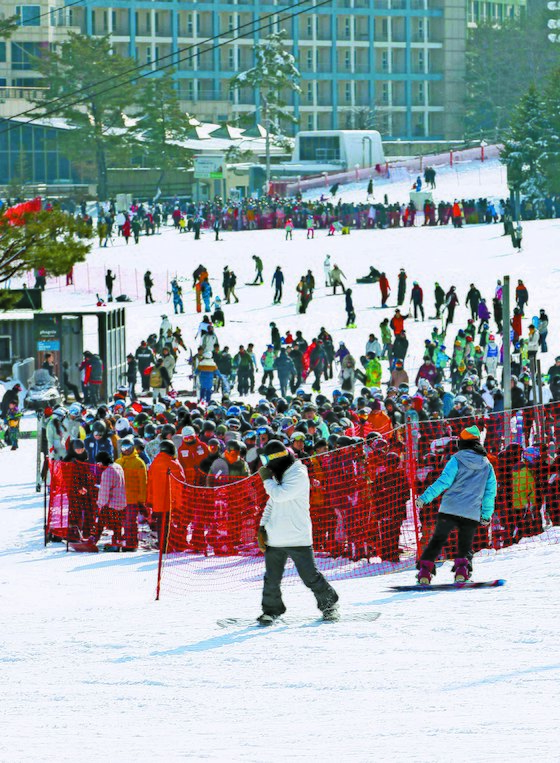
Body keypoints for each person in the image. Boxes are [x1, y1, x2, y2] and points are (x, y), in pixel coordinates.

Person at [256, 439, 339, 624]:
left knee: (310, 577)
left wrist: (267, 480)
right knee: (272, 579)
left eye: (268, 461)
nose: (266, 466)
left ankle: (329, 605)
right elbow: (271, 502)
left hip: (297, 536)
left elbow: (280, 494)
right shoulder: (279, 474)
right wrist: (262, 526)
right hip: (276, 537)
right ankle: (271, 610)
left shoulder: (298, 473)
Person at [415, 425, 497, 584]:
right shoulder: (487, 465)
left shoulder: (456, 459)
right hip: (471, 510)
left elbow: (443, 482)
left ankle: (425, 572)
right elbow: (489, 493)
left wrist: (424, 498)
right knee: (465, 543)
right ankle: (462, 571)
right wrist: (486, 515)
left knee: (438, 539)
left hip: (449, 507)